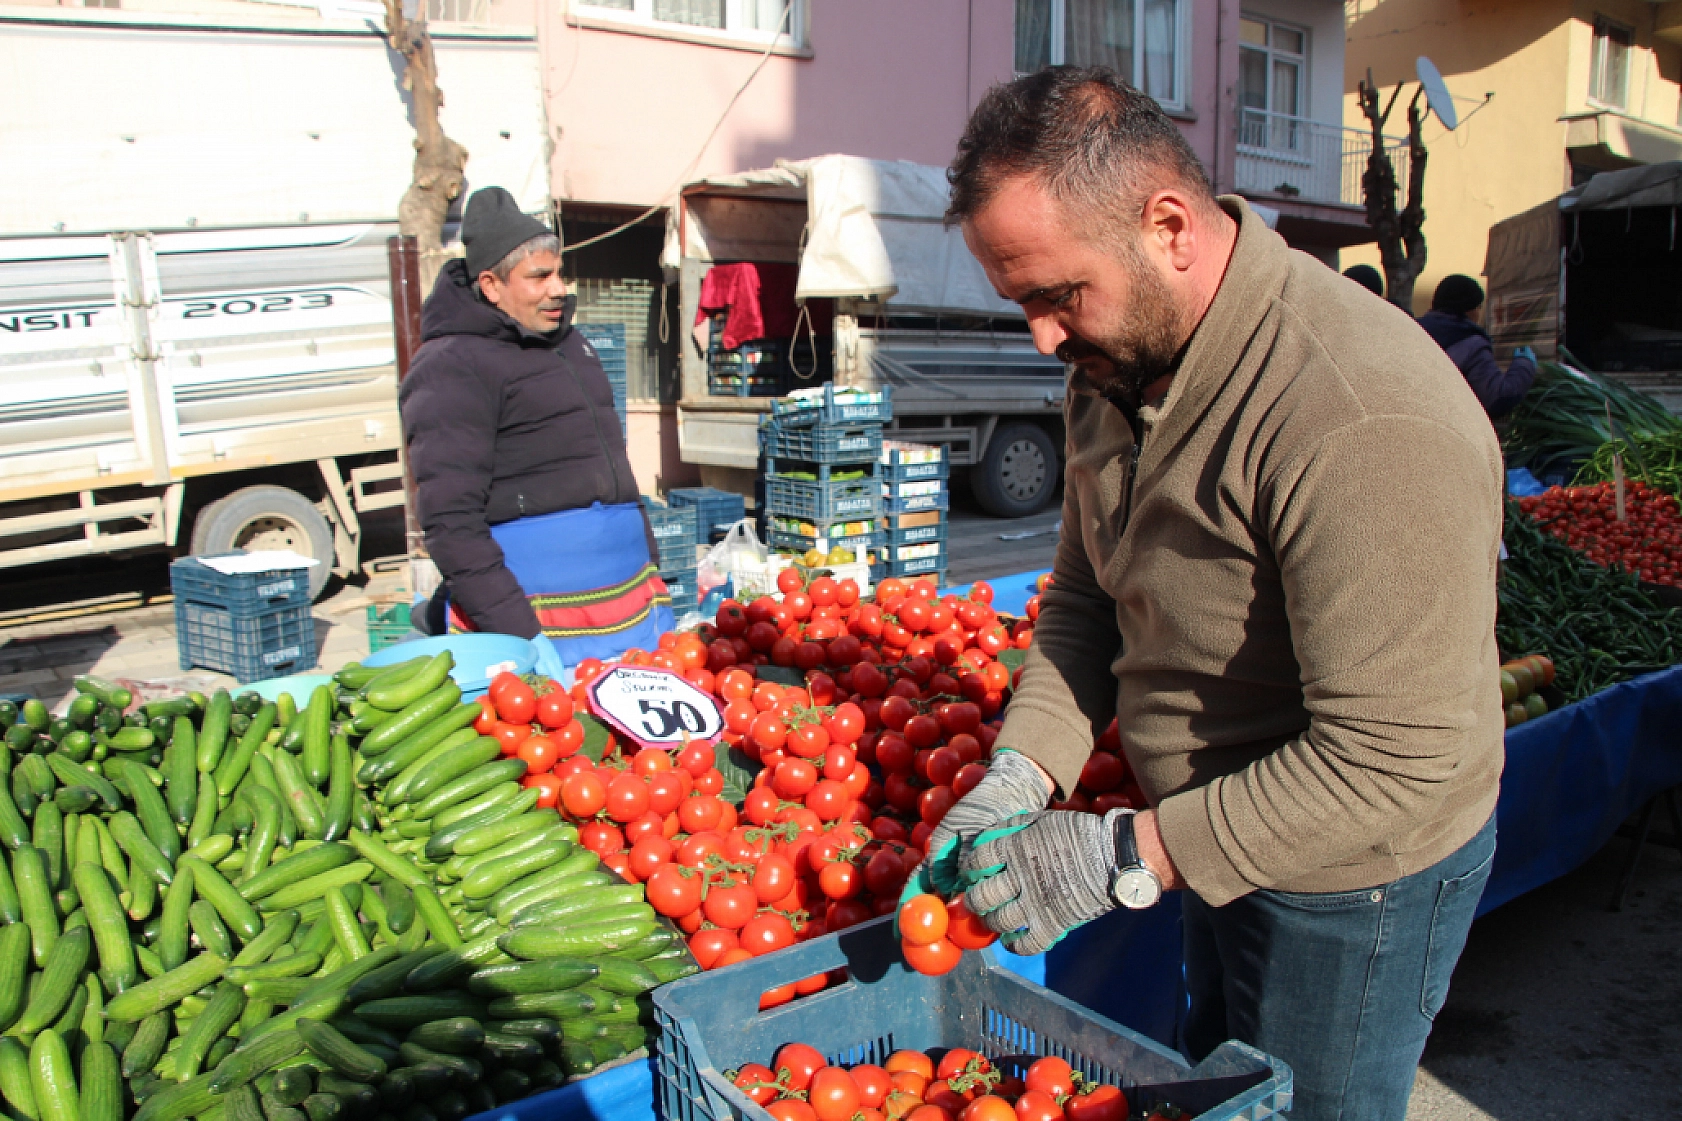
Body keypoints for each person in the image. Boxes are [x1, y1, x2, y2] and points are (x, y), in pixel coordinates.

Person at [916, 67, 1503, 1121]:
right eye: (1021, 304)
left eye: (1056, 294)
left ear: (1169, 227)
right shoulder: (1110, 364)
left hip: (1354, 873)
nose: (1043, 336)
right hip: (1208, 814)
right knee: (1217, 1085)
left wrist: (1129, 851)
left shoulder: (1358, 416)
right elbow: (1088, 598)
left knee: (1306, 1104)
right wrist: (1021, 767)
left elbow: (1389, 761)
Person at [400, 187, 673, 663]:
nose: (558, 288)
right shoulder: (452, 366)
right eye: (539, 276)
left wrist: (649, 560)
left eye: (559, 272)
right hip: (544, 622)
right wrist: (518, 631)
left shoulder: (571, 345)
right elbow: (450, 519)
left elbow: (610, 460)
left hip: (629, 605)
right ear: (491, 285)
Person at [1418, 273, 1537, 418]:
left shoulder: (1414, 332)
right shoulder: (1472, 346)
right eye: (1479, 307)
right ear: (1470, 310)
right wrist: (1524, 364)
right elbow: (1497, 398)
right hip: (1449, 430)